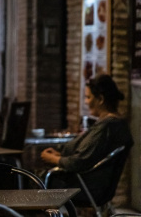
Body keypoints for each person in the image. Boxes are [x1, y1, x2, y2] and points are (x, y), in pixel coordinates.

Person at [40, 74, 133, 203]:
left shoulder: (106, 127)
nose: (86, 102)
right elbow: (88, 156)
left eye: (88, 97)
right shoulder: (114, 124)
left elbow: (78, 162)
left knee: (24, 181)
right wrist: (61, 155)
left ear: (100, 99)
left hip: (81, 187)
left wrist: (54, 159)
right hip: (88, 186)